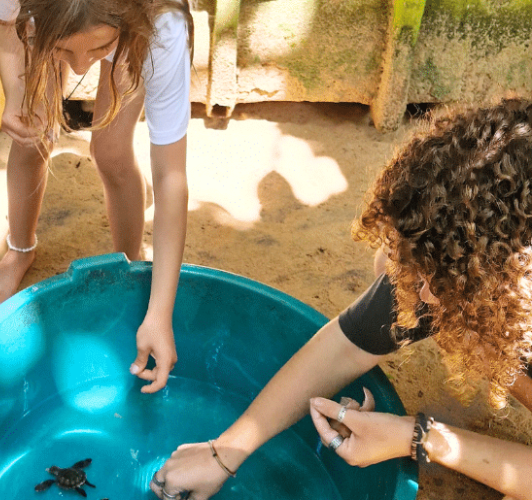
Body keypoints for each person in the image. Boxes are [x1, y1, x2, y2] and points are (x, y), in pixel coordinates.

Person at [150, 99, 532, 500]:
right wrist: (224, 451)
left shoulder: (476, 276)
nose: (424, 293)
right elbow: (344, 348)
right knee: (389, 269)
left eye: (446, 282)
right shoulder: (455, 259)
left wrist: (416, 435)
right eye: (426, 272)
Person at [0, 0, 194, 393]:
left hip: (133, 30)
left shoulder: (162, 27)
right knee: (32, 136)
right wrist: (15, 91)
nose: (80, 68)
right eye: (65, 52)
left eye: (98, 49)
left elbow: (171, 178)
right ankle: (20, 248)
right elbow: (1, 24)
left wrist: (160, 314)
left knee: (111, 153)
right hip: (62, 24)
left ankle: (129, 265)